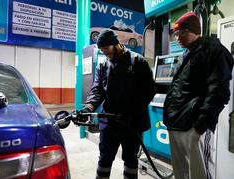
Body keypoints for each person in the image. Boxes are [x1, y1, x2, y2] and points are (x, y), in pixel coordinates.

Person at [163, 11, 234, 179]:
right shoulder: (186, 54)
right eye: (176, 34)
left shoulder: (214, 51)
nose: (178, 38)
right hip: (176, 123)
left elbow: (219, 92)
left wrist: (201, 126)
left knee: (199, 174)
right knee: (181, 173)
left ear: (194, 30)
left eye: (181, 33)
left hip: (194, 127)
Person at [80, 29, 155, 179]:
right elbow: (97, 90)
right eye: (101, 50)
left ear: (116, 44)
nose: (105, 53)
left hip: (131, 123)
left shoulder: (138, 61)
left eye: (106, 49)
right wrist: (89, 107)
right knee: (105, 158)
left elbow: (148, 91)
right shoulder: (103, 65)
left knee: (130, 160)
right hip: (109, 122)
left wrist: (132, 112)